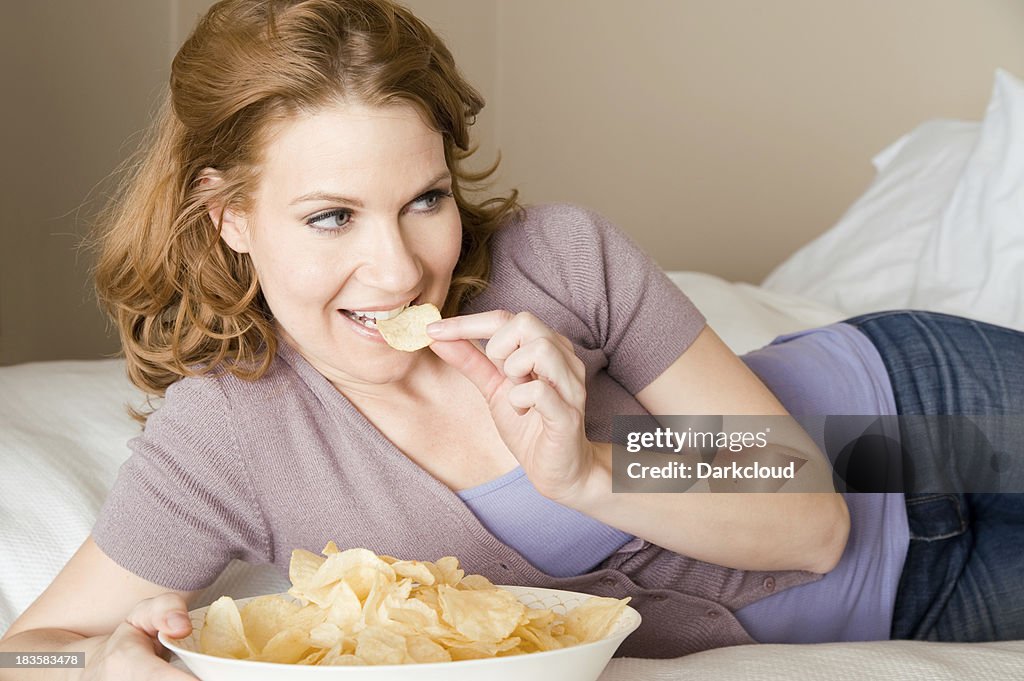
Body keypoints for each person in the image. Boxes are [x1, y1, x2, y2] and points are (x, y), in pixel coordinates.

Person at [1, 0, 1022, 677]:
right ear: (226, 214)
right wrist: (96, 663)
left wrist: (587, 470)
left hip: (902, 409)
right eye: (330, 217)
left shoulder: (557, 262)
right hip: (919, 599)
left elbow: (811, 522)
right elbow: (27, 647)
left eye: (424, 200)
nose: (399, 269)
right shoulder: (230, 436)